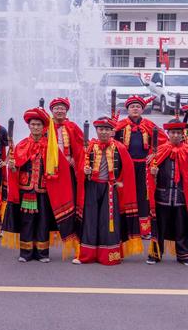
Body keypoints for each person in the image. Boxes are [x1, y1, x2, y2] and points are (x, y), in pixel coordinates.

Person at [1, 107, 77, 263]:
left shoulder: (51, 148)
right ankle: (26, 252)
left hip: (44, 190)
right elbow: (15, 169)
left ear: (44, 127)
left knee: (43, 221)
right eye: (33, 124)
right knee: (27, 221)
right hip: (26, 190)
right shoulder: (22, 145)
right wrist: (13, 167)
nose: (35, 127)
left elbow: (61, 168)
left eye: (38, 125)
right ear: (29, 126)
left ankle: (42, 253)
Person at [74, 116, 142, 265]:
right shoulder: (89, 147)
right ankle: (87, 255)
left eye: (107, 129)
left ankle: (109, 255)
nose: (103, 132)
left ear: (112, 131)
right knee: (90, 220)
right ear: (96, 130)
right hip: (92, 186)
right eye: (101, 129)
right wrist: (84, 171)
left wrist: (121, 182)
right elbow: (79, 169)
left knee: (109, 221)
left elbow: (128, 169)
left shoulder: (120, 148)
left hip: (110, 188)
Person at [115, 95, 166, 238]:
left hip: (144, 166)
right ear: (128, 110)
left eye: (138, 106)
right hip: (126, 167)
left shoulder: (150, 125)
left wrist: (153, 154)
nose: (135, 109)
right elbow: (112, 144)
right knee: (125, 194)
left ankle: (144, 229)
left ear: (142, 109)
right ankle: (127, 228)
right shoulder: (120, 125)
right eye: (132, 107)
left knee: (144, 196)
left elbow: (163, 142)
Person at [146, 119, 188, 266]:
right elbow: (150, 173)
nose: (175, 135)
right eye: (173, 133)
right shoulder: (160, 151)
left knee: (182, 227)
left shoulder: (187, 151)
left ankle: (183, 255)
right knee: (160, 227)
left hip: (181, 197)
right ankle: (156, 254)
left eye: (178, 133)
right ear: (168, 134)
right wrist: (153, 172)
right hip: (162, 196)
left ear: (183, 135)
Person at [49, 97, 84, 199]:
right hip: (51, 165)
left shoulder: (72, 126)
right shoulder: (46, 127)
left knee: (69, 192)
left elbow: (83, 145)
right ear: (51, 110)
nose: (59, 111)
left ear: (66, 111)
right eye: (56, 108)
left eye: (62, 108)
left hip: (68, 165)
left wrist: (74, 158)